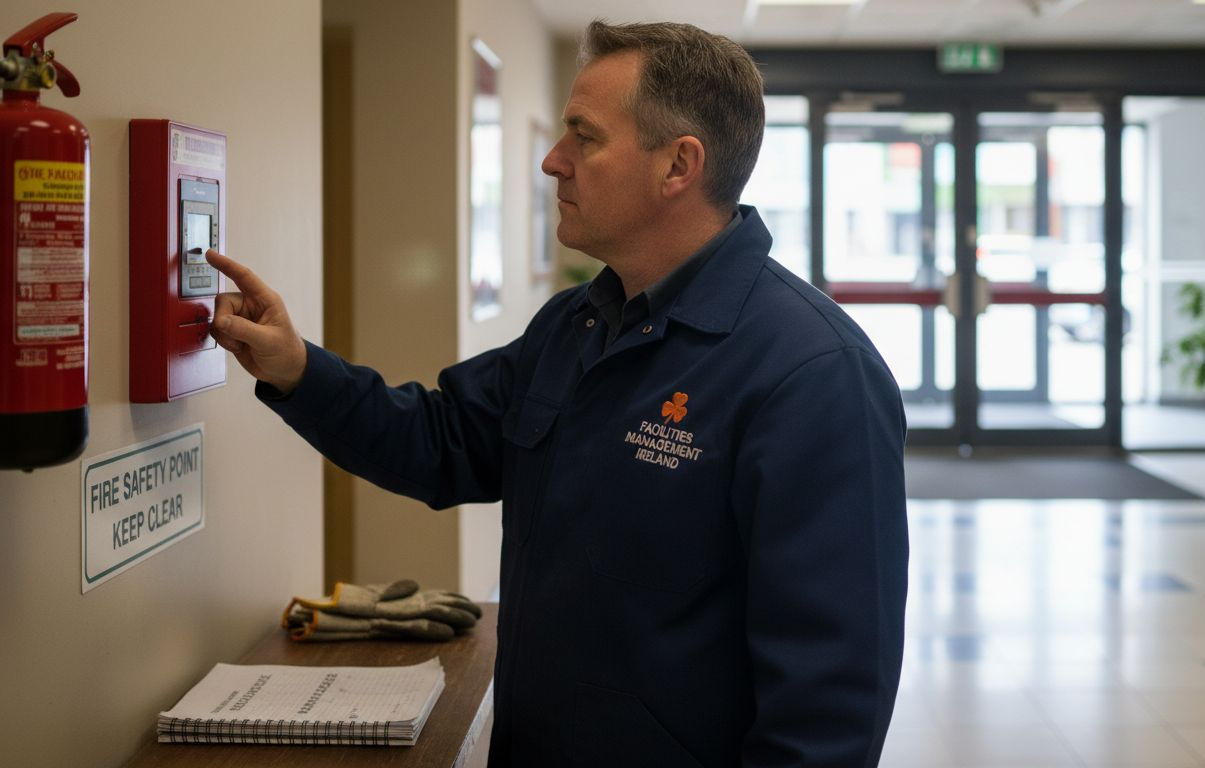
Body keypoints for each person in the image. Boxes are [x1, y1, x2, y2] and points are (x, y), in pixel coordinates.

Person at [207, 19, 908, 768]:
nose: (552, 161)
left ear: (678, 166)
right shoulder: (577, 325)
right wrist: (295, 369)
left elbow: (828, 711)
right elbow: (441, 440)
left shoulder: (814, 374)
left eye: (584, 136)